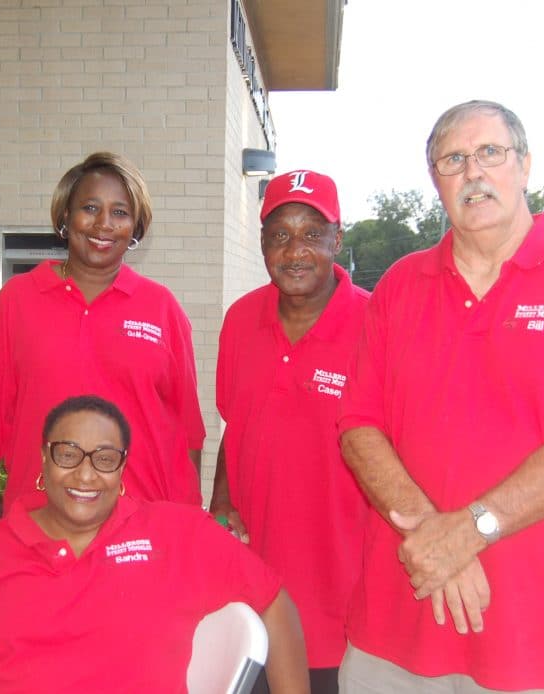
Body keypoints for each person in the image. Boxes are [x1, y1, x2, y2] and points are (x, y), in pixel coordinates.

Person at [336, 100, 544, 693]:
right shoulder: (400, 285)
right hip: (394, 634)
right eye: (453, 160)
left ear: (524, 165)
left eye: (489, 153)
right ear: (436, 181)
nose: (472, 172)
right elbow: (358, 426)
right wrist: (435, 534)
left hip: (536, 643)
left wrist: (470, 531)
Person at [0, 395, 310, 693]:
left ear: (122, 467)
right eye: (68, 455)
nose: (85, 475)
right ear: (43, 459)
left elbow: (273, 600)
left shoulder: (176, 533)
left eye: (104, 458)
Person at [0, 152, 205, 535]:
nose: (104, 223)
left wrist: (186, 532)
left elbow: (187, 434)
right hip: (40, 526)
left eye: (120, 212)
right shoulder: (16, 303)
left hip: (141, 532)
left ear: (135, 226)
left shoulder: (162, 308)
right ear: (65, 216)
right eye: (90, 208)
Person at [209, 169, 369, 693]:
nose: (295, 251)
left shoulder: (376, 324)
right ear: (262, 244)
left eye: (311, 234)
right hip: (253, 591)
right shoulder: (240, 320)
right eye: (279, 235)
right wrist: (220, 502)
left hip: (344, 602)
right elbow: (236, 423)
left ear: (337, 240)